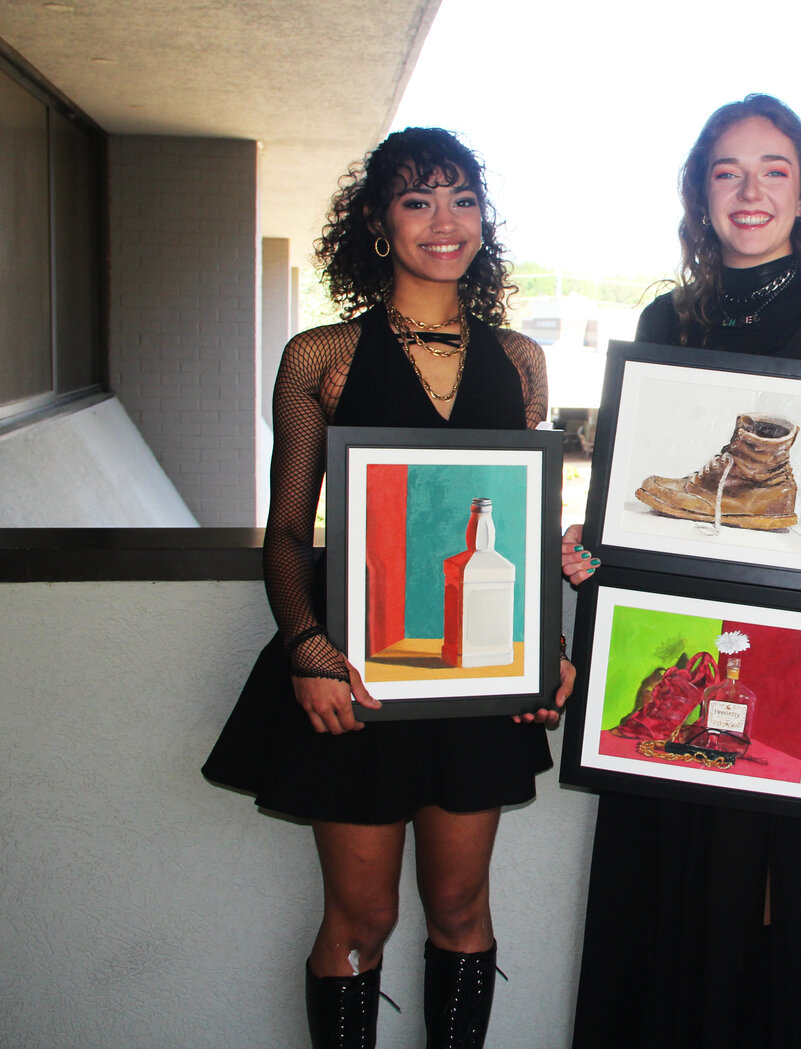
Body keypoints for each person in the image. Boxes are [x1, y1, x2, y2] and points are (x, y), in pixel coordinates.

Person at [562, 94, 801, 1048]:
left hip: (794, 646)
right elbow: (636, 481)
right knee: (670, 868)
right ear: (701, 191)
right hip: (672, 629)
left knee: (781, 882)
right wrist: (595, 541)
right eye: (728, 170)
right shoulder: (665, 315)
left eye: (775, 169)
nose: (751, 189)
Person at [202, 127, 571, 1049]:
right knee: (359, 923)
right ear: (378, 221)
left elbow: (520, 523)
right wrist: (306, 646)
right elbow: (289, 533)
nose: (444, 222)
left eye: (461, 199)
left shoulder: (522, 360)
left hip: (477, 678)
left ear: (483, 218)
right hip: (355, 677)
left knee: (461, 909)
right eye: (417, 201)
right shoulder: (319, 354)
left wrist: (546, 649)